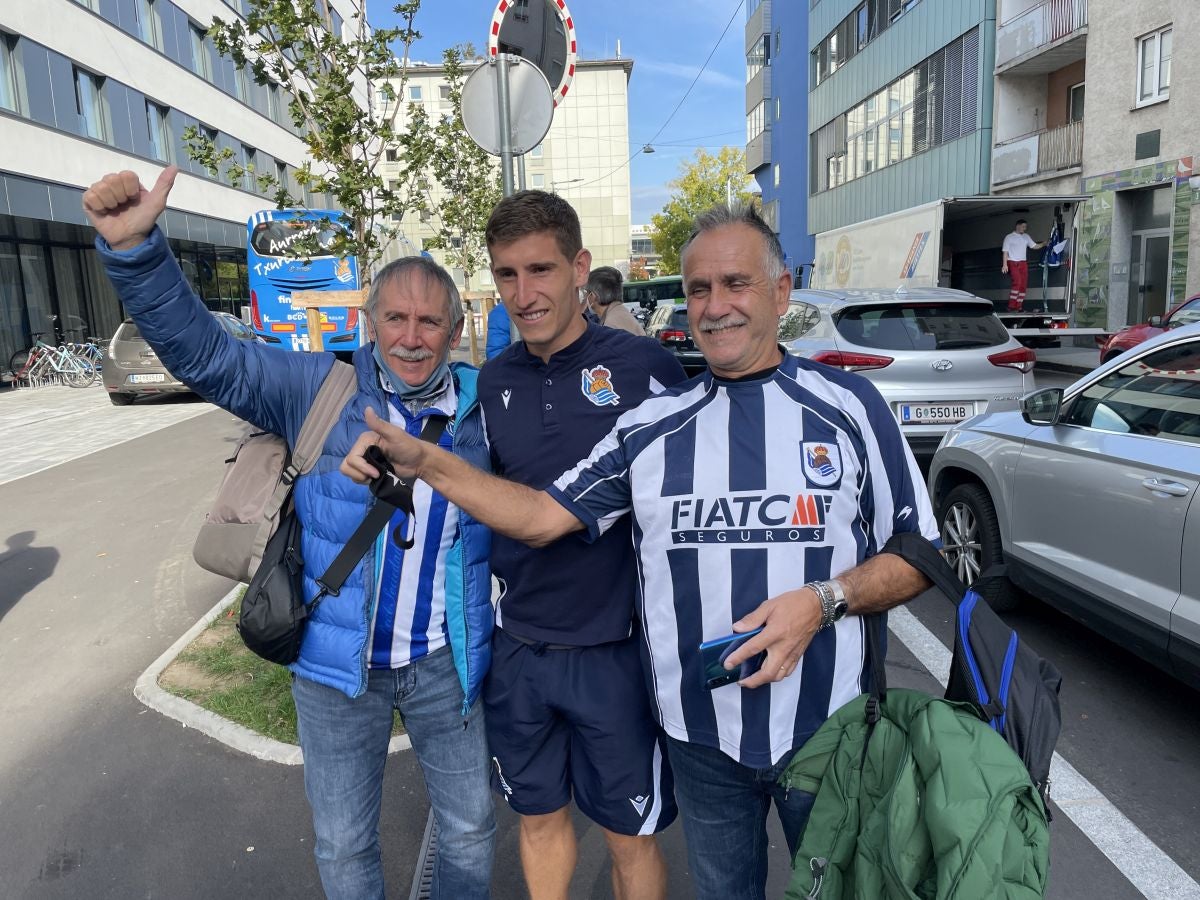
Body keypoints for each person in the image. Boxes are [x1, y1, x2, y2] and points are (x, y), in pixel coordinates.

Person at [342, 203, 937, 900]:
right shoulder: (650, 426)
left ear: (780, 293)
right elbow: (539, 515)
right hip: (696, 729)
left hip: (824, 729)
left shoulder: (846, 405)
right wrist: (427, 461)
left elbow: (920, 553)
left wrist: (823, 601)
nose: (715, 308)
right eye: (698, 290)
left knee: (836, 890)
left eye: (736, 284)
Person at [82, 166, 495, 900]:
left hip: (444, 663)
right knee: (343, 845)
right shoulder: (317, 387)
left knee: (469, 832)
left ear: (456, 330)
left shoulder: (482, 413)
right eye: (394, 318)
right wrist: (138, 251)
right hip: (336, 669)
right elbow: (207, 357)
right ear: (369, 323)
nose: (411, 336)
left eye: (430, 321)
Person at [479, 190, 686, 900]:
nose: (524, 293)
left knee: (632, 839)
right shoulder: (494, 379)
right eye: (507, 274)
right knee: (537, 823)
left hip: (615, 653)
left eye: (540, 270)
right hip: (523, 650)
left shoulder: (644, 367)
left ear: (579, 268)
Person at [1001, 219, 1045, 312]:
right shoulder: (1009, 237)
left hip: (1023, 263)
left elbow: (1034, 246)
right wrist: (1005, 265)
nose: (1025, 229)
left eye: (1025, 227)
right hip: (1012, 262)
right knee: (1017, 282)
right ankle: (1011, 306)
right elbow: (1005, 252)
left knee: (1023, 285)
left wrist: (1044, 244)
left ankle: (1019, 306)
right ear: (1018, 226)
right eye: (1023, 227)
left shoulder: (1026, 237)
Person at [585, 266, 644, 335]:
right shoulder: (619, 313)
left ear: (593, 295)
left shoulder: (611, 325)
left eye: (586, 292)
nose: (585, 296)